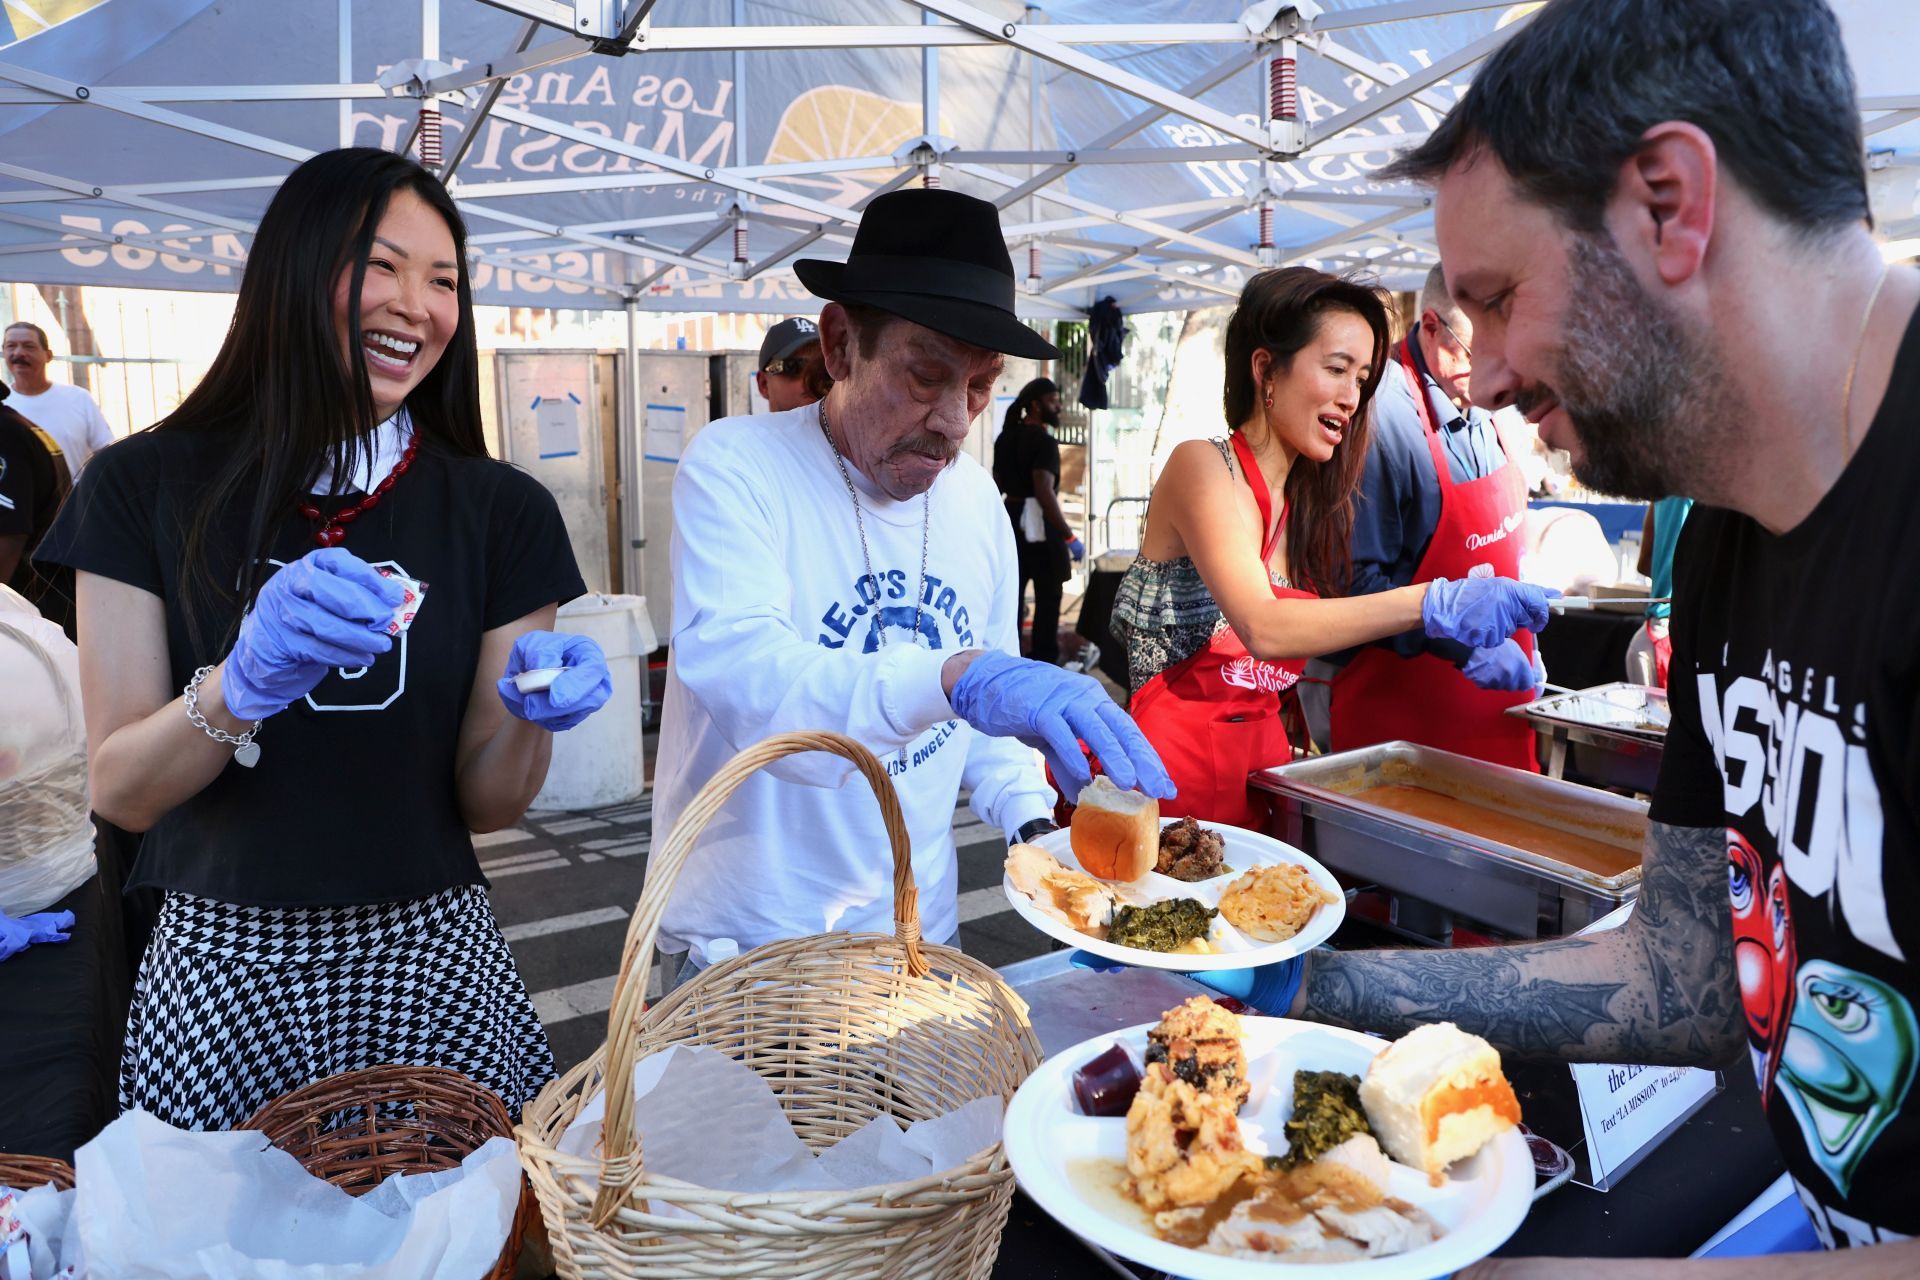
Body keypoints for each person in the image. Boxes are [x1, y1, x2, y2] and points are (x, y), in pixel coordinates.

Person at [1192, 0, 1919, 1267]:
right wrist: (1327, 990)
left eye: (1503, 295)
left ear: (1667, 204)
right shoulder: (1733, 531)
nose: (1486, 375)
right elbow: (1682, 967)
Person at [33, 148, 614, 1131]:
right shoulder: (140, 486)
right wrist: (239, 685)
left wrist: (530, 718)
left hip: (433, 955)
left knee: (463, 1239)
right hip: (220, 968)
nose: (417, 305)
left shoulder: (499, 509)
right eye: (382, 265)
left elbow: (491, 801)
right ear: (296, 269)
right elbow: (120, 786)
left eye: (444, 282)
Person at [651, 187, 1174, 989]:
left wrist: (1034, 822)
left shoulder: (971, 503)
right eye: (926, 376)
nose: (957, 420)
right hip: (749, 944)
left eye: (981, 385)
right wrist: (953, 677)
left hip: (915, 938)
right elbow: (752, 686)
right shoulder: (735, 466)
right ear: (839, 345)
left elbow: (989, 730)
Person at [1109, 267, 1556, 826]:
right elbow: (1264, 628)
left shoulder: (1313, 506)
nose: (1352, 398)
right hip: (1169, 796)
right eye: (1337, 369)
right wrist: (1435, 604)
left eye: (1364, 379)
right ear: (1266, 368)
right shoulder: (1202, 466)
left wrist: (1463, 644)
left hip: (1263, 784)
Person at [1322, 264, 1545, 770]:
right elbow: (1350, 584)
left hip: (1501, 720)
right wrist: (1462, 645)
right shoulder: (1381, 420)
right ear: (1430, 327)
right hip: (1404, 733)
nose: (1494, 375)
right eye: (1475, 354)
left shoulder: (1490, 400)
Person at [993, 377, 1083, 664]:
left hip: (1010, 520)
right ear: (1035, 405)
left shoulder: (1005, 438)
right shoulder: (1043, 441)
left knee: (1010, 598)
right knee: (1048, 599)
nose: (1058, 406)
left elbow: (997, 483)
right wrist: (1069, 536)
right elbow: (1043, 490)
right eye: (1053, 400)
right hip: (1041, 527)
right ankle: (1045, 661)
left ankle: (1011, 660)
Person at [0, 382, 73, 633]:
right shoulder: (17, 423)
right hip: (48, 595)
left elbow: (8, 535)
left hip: (32, 607)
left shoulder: (5, 434)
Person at [3, 322, 116, 474]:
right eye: (11, 346)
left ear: (48, 355)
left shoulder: (79, 399)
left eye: (28, 346)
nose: (18, 353)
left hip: (75, 497)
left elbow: (106, 452)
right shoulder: (2, 405)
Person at [1627, 495, 1693, 687]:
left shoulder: (1661, 489)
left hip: (1653, 636)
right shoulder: (1700, 487)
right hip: (1671, 638)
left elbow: (1644, 563)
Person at [755, 316, 827, 413]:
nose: (811, 379)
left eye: (821, 368)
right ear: (763, 384)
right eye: (793, 366)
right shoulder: (737, 427)